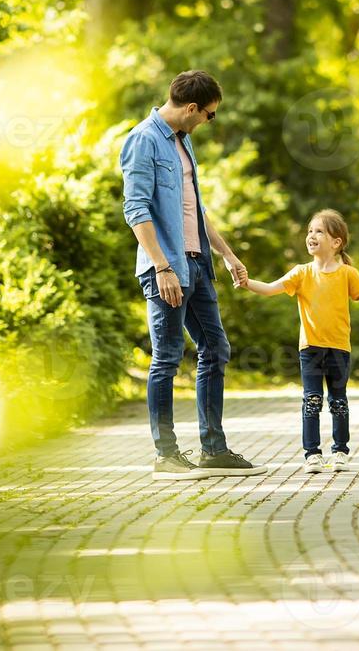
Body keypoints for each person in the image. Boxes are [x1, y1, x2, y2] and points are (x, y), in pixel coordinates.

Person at [119, 70, 267, 480]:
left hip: (198, 264)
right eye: (209, 115)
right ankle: (166, 455)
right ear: (190, 108)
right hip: (167, 268)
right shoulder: (143, 140)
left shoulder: (183, 144)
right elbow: (136, 210)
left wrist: (228, 255)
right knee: (166, 359)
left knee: (216, 349)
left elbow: (195, 210)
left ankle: (213, 449)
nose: (208, 121)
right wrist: (162, 266)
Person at [242, 209, 359, 472]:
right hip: (310, 348)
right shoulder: (301, 273)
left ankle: (340, 451)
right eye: (310, 231)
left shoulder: (348, 274)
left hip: (339, 348)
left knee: (338, 401)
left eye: (319, 231)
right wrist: (247, 281)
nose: (311, 235)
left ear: (336, 242)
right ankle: (312, 454)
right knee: (312, 400)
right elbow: (272, 288)